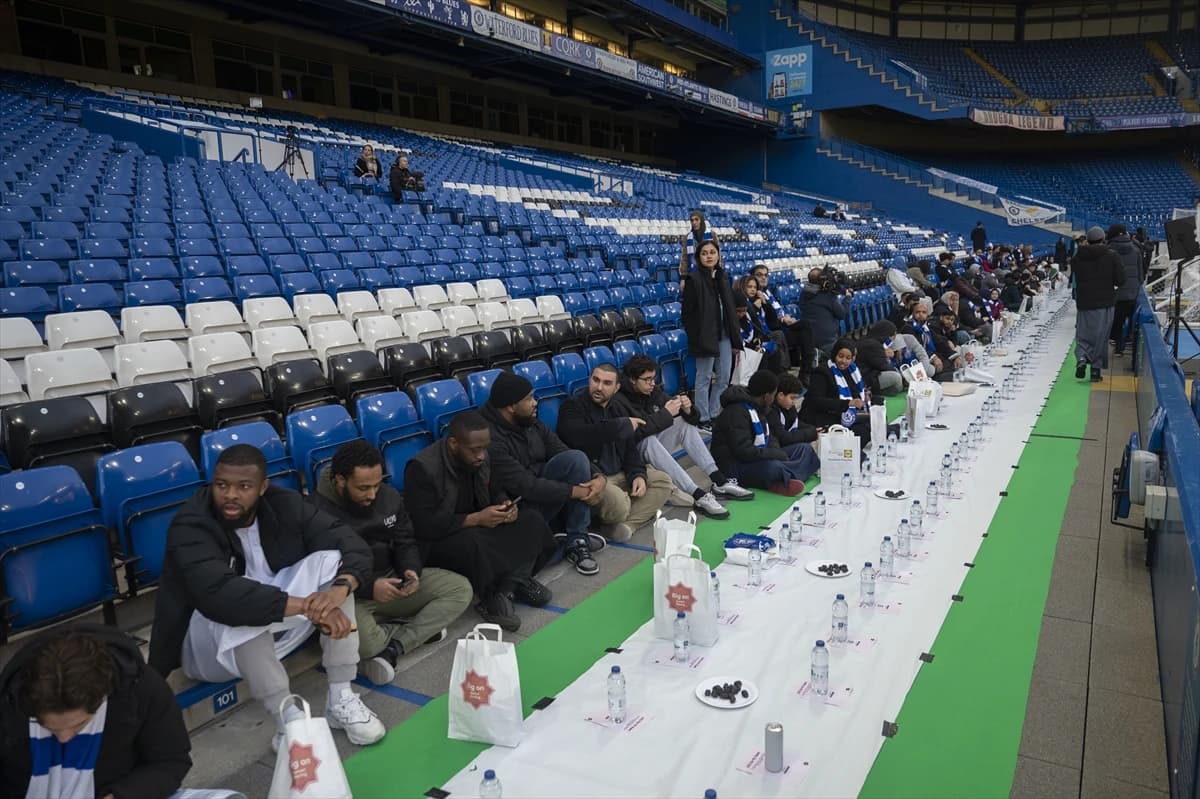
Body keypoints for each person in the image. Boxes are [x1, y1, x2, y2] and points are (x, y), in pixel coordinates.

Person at [148, 445, 385, 750]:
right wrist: (309, 607)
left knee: (332, 562)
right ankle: (288, 717)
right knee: (241, 603)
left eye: (243, 487)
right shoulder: (191, 524)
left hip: (277, 625)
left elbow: (351, 543)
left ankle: (341, 696)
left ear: (262, 488)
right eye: (222, 485)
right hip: (210, 645)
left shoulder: (284, 503)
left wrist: (337, 591)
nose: (230, 495)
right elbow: (221, 594)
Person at [312, 440, 473, 686]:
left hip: (394, 581)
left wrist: (410, 570)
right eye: (364, 488)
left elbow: (405, 540)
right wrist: (370, 586)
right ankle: (414, 632)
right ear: (340, 480)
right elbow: (319, 574)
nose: (372, 495)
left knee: (460, 590)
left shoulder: (388, 496)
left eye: (377, 485)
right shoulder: (315, 513)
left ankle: (395, 646)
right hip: (350, 597)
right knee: (367, 643)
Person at [404, 411, 556, 632]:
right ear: (454, 443)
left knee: (530, 519)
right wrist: (474, 519)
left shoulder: (481, 456)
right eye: (475, 450)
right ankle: (492, 596)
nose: (482, 456)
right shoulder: (422, 468)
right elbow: (422, 524)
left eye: (484, 448)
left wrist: (505, 504)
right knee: (473, 543)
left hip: (479, 523)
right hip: (441, 537)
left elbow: (495, 488)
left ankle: (509, 585)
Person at [1, 625, 192, 799]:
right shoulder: (8, 704)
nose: (64, 738)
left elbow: (170, 761)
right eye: (49, 728)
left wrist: (121, 796)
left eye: (78, 725)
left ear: (102, 696)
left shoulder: (140, 688)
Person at [481, 371, 608, 577]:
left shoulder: (529, 421)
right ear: (511, 406)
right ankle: (561, 541)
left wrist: (598, 477)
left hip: (545, 491)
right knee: (575, 467)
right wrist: (577, 492)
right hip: (517, 507)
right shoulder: (489, 438)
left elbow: (561, 449)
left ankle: (576, 539)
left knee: (574, 459)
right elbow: (524, 485)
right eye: (529, 398)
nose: (535, 402)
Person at [614, 354, 754, 519]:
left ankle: (719, 481)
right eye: (647, 380)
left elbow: (691, 419)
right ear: (632, 379)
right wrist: (666, 414)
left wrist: (688, 409)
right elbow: (635, 434)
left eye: (653, 378)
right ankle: (698, 495)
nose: (652, 383)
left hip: (649, 449)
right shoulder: (619, 400)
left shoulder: (652, 391)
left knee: (683, 423)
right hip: (629, 455)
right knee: (648, 441)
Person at [556, 363, 675, 540]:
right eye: (595, 380)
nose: (598, 387)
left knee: (663, 482)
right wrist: (619, 426)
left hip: (621, 474)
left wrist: (637, 475)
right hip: (596, 478)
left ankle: (625, 526)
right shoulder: (572, 406)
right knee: (620, 506)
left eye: (606, 383)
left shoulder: (617, 408)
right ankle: (619, 517)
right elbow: (578, 435)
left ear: (616, 387)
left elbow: (630, 450)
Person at [710, 369, 820, 496]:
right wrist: (773, 454)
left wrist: (776, 451)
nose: (774, 398)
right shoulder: (736, 412)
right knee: (773, 467)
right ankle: (783, 478)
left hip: (757, 456)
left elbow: (770, 436)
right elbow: (743, 451)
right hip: (736, 465)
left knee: (804, 449)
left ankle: (784, 478)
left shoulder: (759, 408)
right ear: (766, 396)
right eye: (774, 394)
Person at [681, 239, 742, 431]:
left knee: (723, 377)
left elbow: (730, 308)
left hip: (724, 334)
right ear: (699, 257)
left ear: (718, 255)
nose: (709, 256)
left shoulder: (723, 277)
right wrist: (696, 336)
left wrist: (734, 335)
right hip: (704, 336)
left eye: (712, 252)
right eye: (704, 253)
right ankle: (702, 417)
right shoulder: (694, 279)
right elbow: (687, 314)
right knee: (704, 377)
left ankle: (715, 413)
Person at [1072, 226, 1127, 382]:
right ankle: (1095, 371)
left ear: (1088, 240)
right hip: (1105, 302)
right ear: (1103, 239)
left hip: (1084, 303)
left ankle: (1082, 358)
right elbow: (1121, 280)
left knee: (1083, 335)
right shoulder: (1112, 256)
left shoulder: (1078, 257)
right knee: (1101, 337)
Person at [800, 338, 875, 444]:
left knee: (875, 418)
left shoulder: (852, 370)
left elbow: (855, 392)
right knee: (862, 432)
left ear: (853, 359)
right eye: (841, 356)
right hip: (822, 417)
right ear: (834, 354)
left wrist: (864, 395)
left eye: (848, 358)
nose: (843, 361)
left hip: (842, 414)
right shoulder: (821, 372)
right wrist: (848, 403)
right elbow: (816, 401)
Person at [751, 263, 814, 379]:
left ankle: (806, 371)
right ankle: (801, 373)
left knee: (806, 328)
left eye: (765, 275)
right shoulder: (752, 295)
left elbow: (778, 309)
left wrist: (786, 317)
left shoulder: (768, 292)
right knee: (803, 328)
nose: (763, 277)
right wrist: (782, 319)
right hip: (770, 330)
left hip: (780, 325)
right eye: (759, 275)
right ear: (752, 277)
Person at [735, 277, 788, 373]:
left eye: (755, 287)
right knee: (777, 336)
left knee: (773, 344)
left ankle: (781, 373)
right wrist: (754, 307)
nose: (753, 289)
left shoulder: (759, 300)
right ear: (742, 287)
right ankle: (781, 370)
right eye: (749, 287)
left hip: (760, 336)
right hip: (745, 343)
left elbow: (773, 320)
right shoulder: (743, 304)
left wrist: (765, 303)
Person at [1105, 223, 1142, 356]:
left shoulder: (1108, 250)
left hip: (1114, 294)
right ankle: (1122, 347)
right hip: (1132, 293)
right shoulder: (1136, 250)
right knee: (1128, 322)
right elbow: (1140, 275)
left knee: (1115, 321)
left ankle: (1114, 344)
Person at [799, 267, 852, 356]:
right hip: (827, 342)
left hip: (808, 339)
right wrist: (848, 298)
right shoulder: (828, 296)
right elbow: (841, 314)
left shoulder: (803, 294)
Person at [764, 372, 819, 447]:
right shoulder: (771, 412)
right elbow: (783, 438)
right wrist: (809, 433)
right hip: (776, 448)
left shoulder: (789, 409)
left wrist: (812, 430)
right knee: (803, 447)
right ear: (781, 395)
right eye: (792, 398)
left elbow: (796, 423)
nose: (794, 402)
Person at [899, 297, 948, 379]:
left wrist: (954, 354)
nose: (921, 314)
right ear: (912, 314)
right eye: (917, 312)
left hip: (927, 356)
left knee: (949, 361)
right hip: (915, 360)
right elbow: (917, 349)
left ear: (927, 315)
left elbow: (939, 342)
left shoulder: (925, 327)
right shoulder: (908, 328)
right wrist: (933, 357)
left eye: (924, 312)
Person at [855, 320, 906, 395]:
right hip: (864, 379)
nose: (893, 340)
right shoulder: (873, 345)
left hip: (867, 374)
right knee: (896, 378)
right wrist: (904, 379)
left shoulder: (869, 340)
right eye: (892, 337)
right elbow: (883, 366)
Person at [678, 208, 718, 277]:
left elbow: (717, 255)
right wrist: (683, 277)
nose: (694, 222)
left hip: (710, 273)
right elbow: (685, 258)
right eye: (692, 220)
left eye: (696, 219)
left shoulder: (712, 234)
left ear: (701, 221)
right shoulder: (688, 237)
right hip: (694, 274)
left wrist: (717, 272)